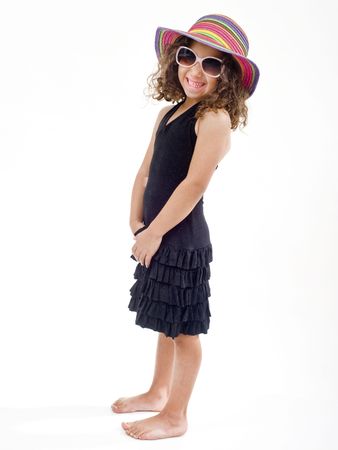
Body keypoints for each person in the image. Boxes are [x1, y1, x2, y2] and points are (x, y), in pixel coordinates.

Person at [112, 13, 260, 440]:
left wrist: (156, 232)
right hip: (154, 234)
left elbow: (194, 184)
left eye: (211, 65)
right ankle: (158, 392)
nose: (196, 70)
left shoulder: (213, 120)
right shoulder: (168, 113)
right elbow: (144, 172)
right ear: (175, 60)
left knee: (184, 330)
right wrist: (136, 220)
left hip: (181, 240)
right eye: (188, 56)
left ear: (226, 76)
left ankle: (176, 415)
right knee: (165, 321)